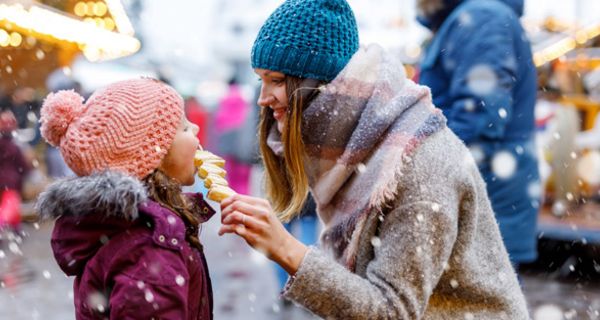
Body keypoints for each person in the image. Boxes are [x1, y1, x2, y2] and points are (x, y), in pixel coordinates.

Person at [218, 0, 529, 318]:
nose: (262, 98)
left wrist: (286, 248)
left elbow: (390, 311)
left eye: (278, 81)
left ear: (320, 82)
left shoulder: (417, 168)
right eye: (262, 80)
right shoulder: (355, 143)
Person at [36, 79, 215, 319]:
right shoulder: (149, 248)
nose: (195, 128)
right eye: (183, 128)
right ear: (155, 155)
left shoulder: (129, 229)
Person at [416, 0, 540, 269]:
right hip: (479, 202)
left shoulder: (482, 17)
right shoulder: (469, 16)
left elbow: (480, 119)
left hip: (483, 205)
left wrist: (424, 177)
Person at [0, 110, 31, 231]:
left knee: (7, 205)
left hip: (3, 182)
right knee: (10, 206)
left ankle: (16, 228)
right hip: (12, 182)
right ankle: (3, 226)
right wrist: (25, 173)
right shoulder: (15, 147)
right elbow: (23, 164)